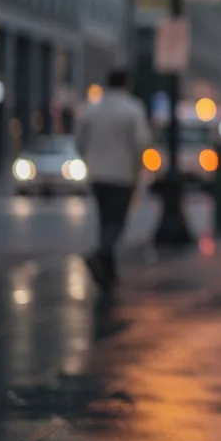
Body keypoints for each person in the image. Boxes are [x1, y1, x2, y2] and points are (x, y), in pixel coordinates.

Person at [74, 69, 152, 292]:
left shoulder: (92, 108)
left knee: (104, 220)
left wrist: (89, 159)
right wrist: (138, 168)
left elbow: (79, 141)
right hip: (122, 173)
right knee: (116, 222)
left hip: (97, 173)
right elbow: (141, 142)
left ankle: (108, 272)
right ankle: (101, 255)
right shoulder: (132, 109)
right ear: (127, 83)